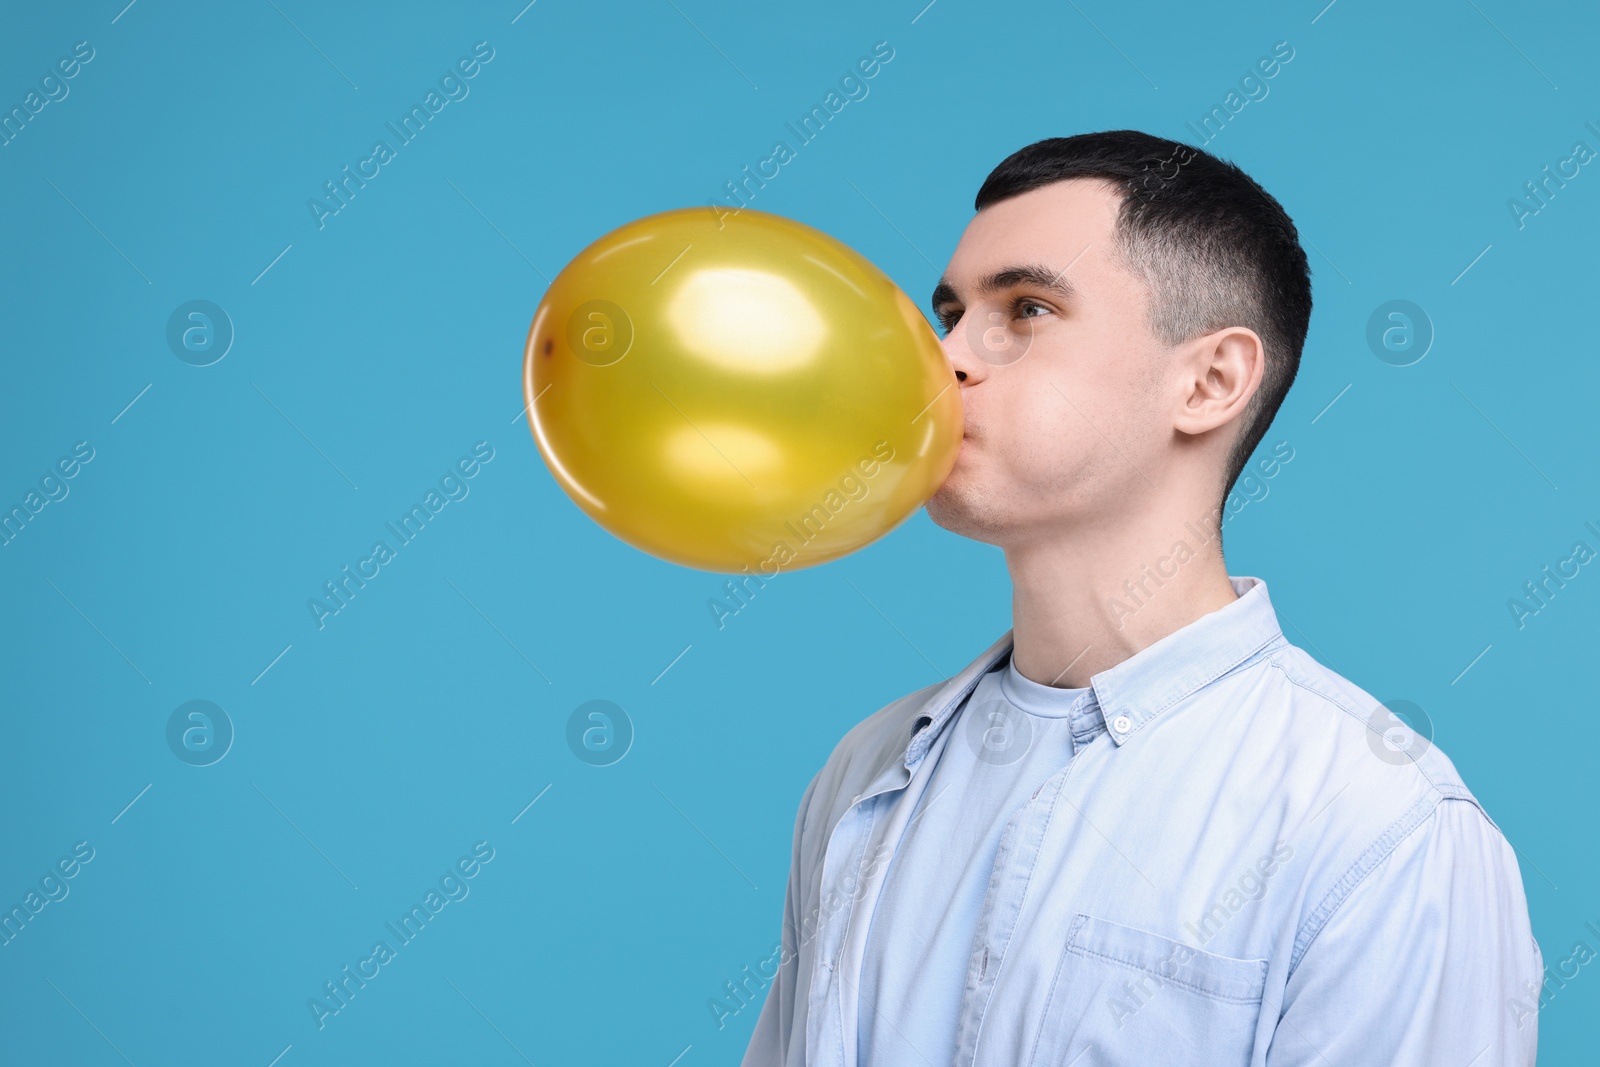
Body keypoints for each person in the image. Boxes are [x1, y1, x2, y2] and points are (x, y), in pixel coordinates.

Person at [739, 130, 1541, 1067]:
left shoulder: (1380, 826)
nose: (944, 360)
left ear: (1209, 381)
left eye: (1025, 309)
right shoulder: (865, 771)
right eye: (949, 314)